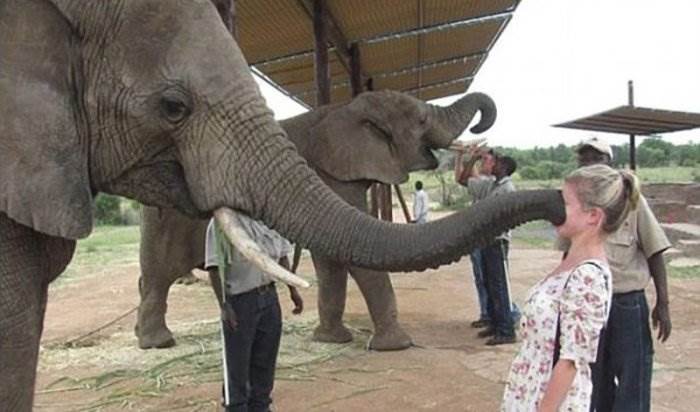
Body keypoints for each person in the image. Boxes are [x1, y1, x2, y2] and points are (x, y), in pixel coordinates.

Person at [502, 164, 640, 411]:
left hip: (550, 401)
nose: (555, 209)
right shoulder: (570, 264)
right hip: (529, 391)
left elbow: (571, 361)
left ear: (593, 216)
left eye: (565, 203)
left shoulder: (588, 277)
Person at [564, 137, 672, 412]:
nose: (590, 165)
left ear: (609, 163)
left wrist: (663, 303)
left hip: (626, 303)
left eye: (596, 158)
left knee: (632, 378)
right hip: (588, 306)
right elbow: (567, 258)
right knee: (594, 378)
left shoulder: (631, 201)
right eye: (584, 159)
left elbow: (655, 250)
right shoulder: (575, 205)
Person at [205, 215, 304, 412]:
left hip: (269, 296)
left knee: (265, 360)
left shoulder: (269, 218)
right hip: (240, 302)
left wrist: (292, 289)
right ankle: (236, 407)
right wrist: (224, 305)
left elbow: (282, 257)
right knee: (237, 364)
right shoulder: (220, 224)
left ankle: (261, 406)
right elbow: (214, 268)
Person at [455, 146, 520, 344]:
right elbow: (463, 180)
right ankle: (493, 322)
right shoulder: (491, 185)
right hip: (486, 241)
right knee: (490, 284)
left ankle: (506, 330)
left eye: (497, 162)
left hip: (497, 242)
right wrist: (472, 159)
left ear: (504, 167)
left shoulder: (507, 189)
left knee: (499, 287)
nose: (493, 164)